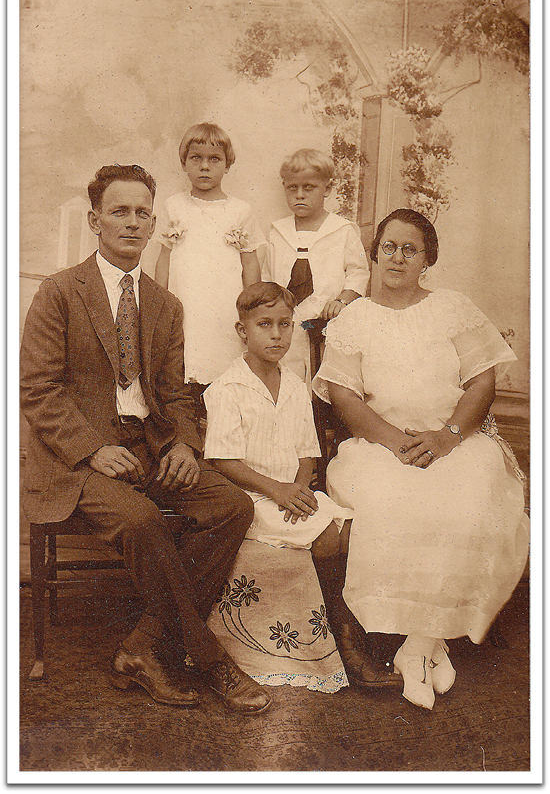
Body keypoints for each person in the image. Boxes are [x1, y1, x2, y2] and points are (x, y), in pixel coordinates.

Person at [20, 164, 272, 715]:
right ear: (95, 220)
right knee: (141, 521)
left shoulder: (165, 304)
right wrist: (91, 448)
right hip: (79, 459)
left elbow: (176, 392)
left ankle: (143, 646)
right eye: (119, 211)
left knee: (231, 505)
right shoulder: (60, 293)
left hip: (149, 445)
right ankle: (210, 660)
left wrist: (183, 444)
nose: (132, 223)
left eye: (142, 213)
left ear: (153, 222)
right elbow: (37, 388)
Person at [313, 208, 529, 710]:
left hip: (456, 439)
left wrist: (448, 436)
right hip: (378, 445)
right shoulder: (354, 318)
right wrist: (393, 440)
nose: (398, 257)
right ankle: (430, 646)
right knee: (390, 503)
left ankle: (418, 648)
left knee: (471, 500)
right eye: (389, 246)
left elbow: (482, 381)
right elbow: (344, 397)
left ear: (427, 259)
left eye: (410, 249)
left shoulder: (453, 307)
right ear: (374, 254)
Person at [203, 282, 401, 691]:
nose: (277, 335)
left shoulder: (294, 384)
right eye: (265, 325)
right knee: (329, 539)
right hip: (253, 496)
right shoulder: (227, 388)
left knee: (357, 531)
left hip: (290, 493)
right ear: (243, 331)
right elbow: (223, 459)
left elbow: (307, 451)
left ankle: (365, 635)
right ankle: (349, 650)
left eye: (285, 325)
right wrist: (277, 490)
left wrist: (299, 486)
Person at [154, 122, 265, 391]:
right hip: (187, 302)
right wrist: (159, 302)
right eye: (196, 158)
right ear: (184, 163)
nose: (205, 166)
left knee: (225, 370)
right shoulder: (174, 206)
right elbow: (164, 258)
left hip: (224, 305)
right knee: (184, 360)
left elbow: (250, 263)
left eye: (214, 159)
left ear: (227, 165)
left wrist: (252, 312)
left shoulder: (240, 211)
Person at [262, 149, 369, 384]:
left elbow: (358, 271)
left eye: (309, 188)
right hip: (287, 321)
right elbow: (268, 276)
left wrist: (341, 301)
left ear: (327, 189)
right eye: (292, 188)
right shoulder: (278, 231)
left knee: (323, 382)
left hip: (327, 320)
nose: (300, 195)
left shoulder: (342, 230)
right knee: (287, 377)